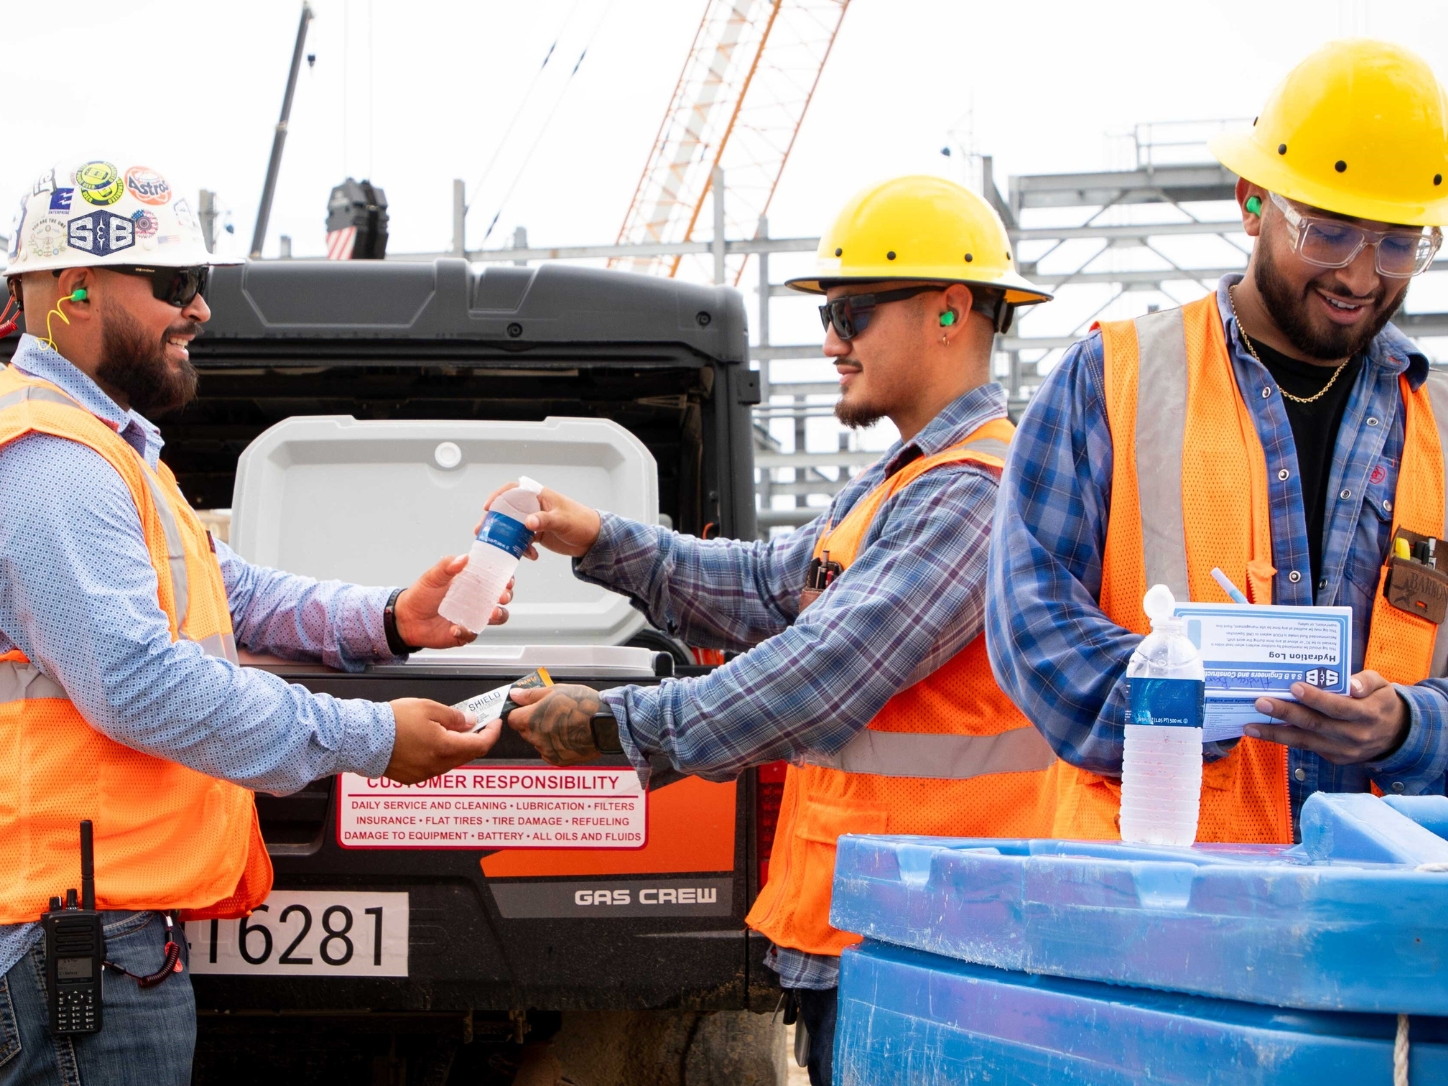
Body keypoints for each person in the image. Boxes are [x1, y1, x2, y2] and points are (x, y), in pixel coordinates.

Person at [497, 176, 1057, 1086]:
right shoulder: (906, 481)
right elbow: (765, 585)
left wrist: (617, 724)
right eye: (829, 314)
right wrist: (598, 538)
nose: (832, 341)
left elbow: (823, 671)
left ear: (951, 311)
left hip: (937, 950)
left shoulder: (972, 496)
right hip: (888, 934)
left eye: (851, 312)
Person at [0, 159, 507, 1085]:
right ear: (73, 291)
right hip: (70, 945)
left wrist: (391, 619)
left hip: (99, 934)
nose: (198, 310)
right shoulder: (50, 460)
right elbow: (137, 684)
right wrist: (369, 738)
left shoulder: (104, 449)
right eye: (176, 283)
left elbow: (231, 592)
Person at [987, 40, 1448, 845]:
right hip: (1164, 893)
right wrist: (1194, 701)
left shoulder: (1440, 422)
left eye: (1399, 243)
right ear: (1252, 204)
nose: (1361, 276)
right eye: (1328, 232)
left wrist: (1409, 727)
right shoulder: (1113, 380)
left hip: (1382, 904)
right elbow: (1033, 629)